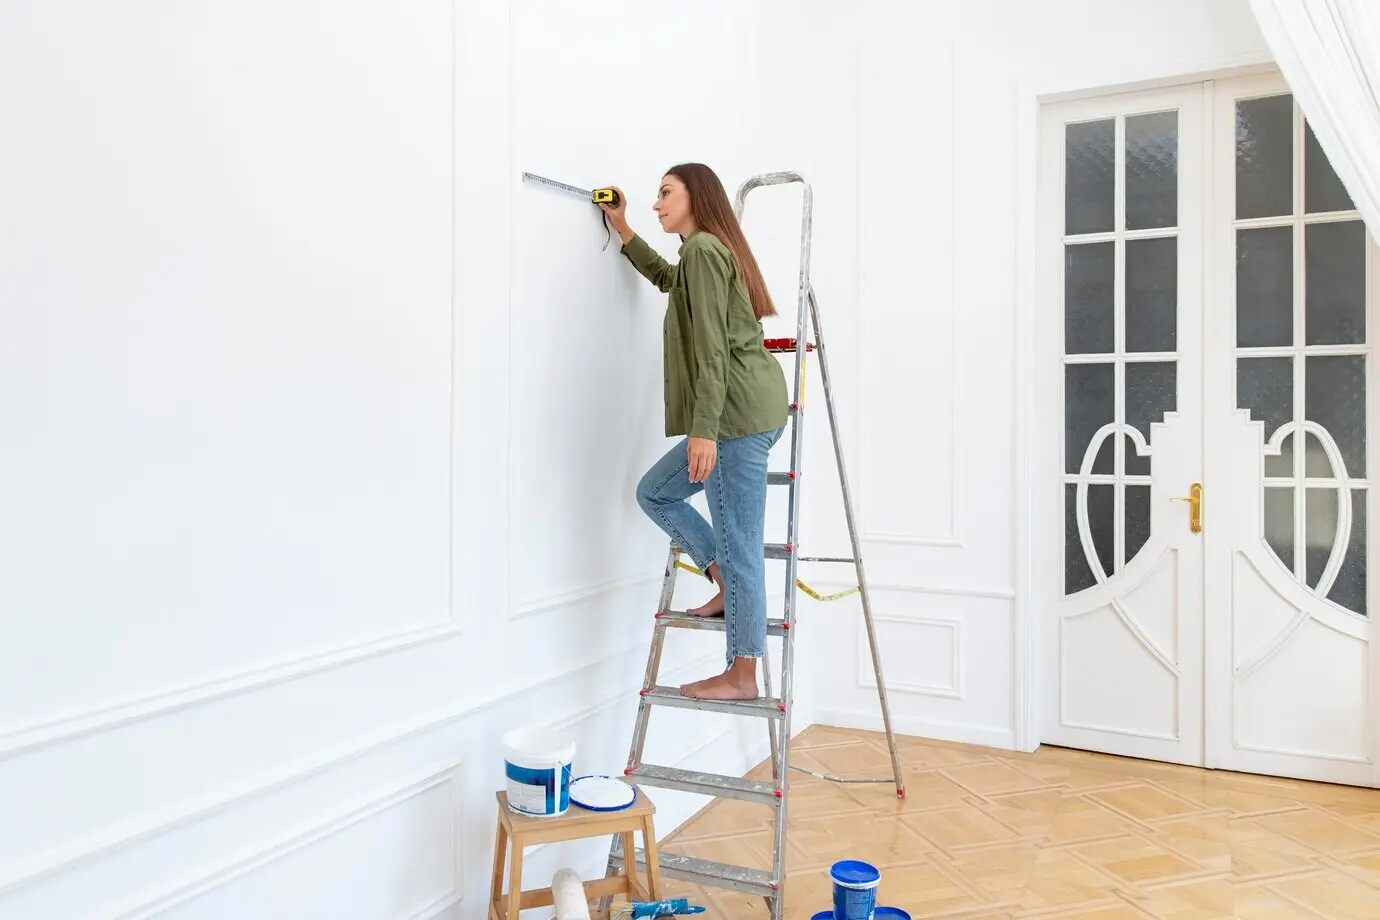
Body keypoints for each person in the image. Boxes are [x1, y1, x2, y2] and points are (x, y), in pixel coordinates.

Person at [599, 164, 790, 703]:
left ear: (695, 197)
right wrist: (625, 231)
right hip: (742, 410)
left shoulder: (705, 251)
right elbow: (668, 280)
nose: (656, 203)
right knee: (655, 493)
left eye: (665, 194)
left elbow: (711, 349)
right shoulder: (698, 254)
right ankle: (723, 580)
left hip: (736, 418)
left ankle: (742, 673)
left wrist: (703, 432)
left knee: (743, 545)